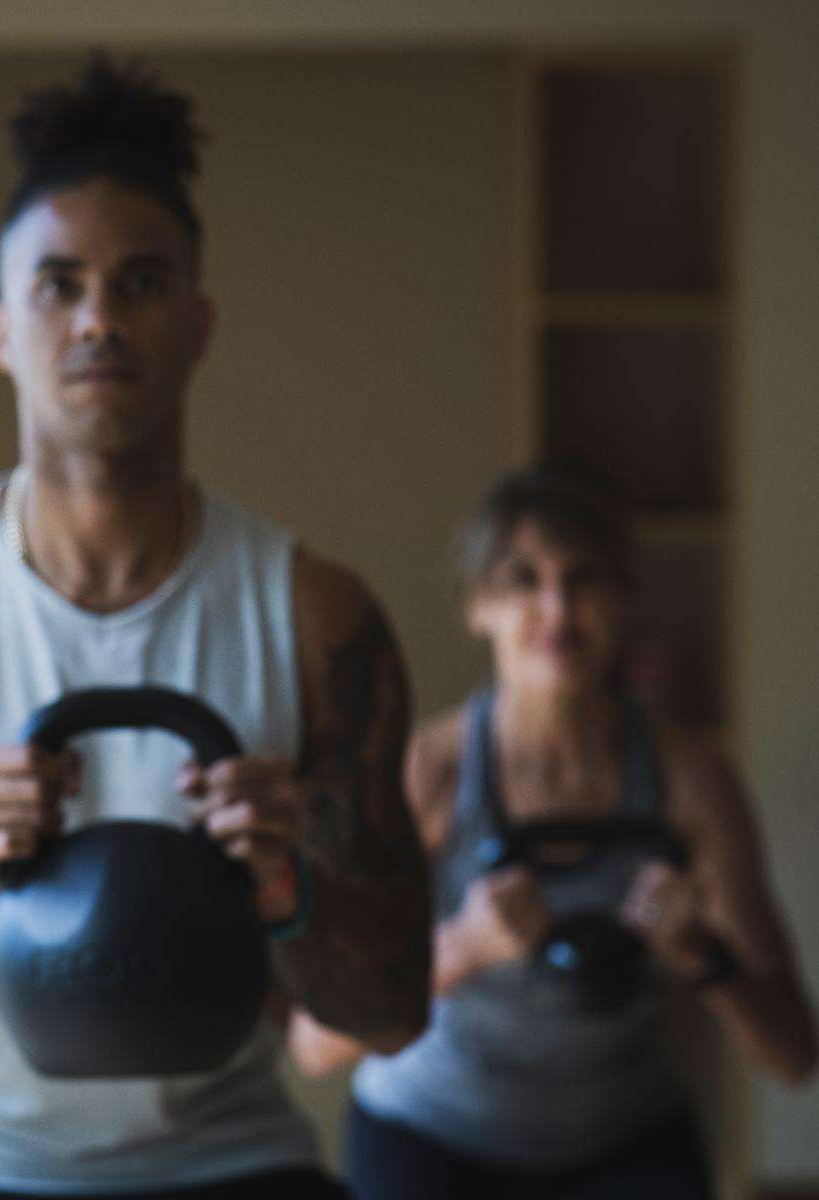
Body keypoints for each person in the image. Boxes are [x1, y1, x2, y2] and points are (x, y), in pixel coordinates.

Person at [0, 54, 431, 1199]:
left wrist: (288, 884)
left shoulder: (317, 613)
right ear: (2, 328)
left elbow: (390, 1017)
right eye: (59, 284)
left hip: (240, 1161)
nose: (98, 318)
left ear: (196, 322)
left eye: (139, 284)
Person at [291, 466, 818, 1199]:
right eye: (522, 580)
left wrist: (702, 956)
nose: (557, 607)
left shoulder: (690, 782)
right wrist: (465, 949)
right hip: (431, 1130)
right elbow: (314, 1041)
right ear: (478, 606)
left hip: (622, 1134)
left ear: (624, 597)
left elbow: (794, 1055)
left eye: (584, 578)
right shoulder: (429, 774)